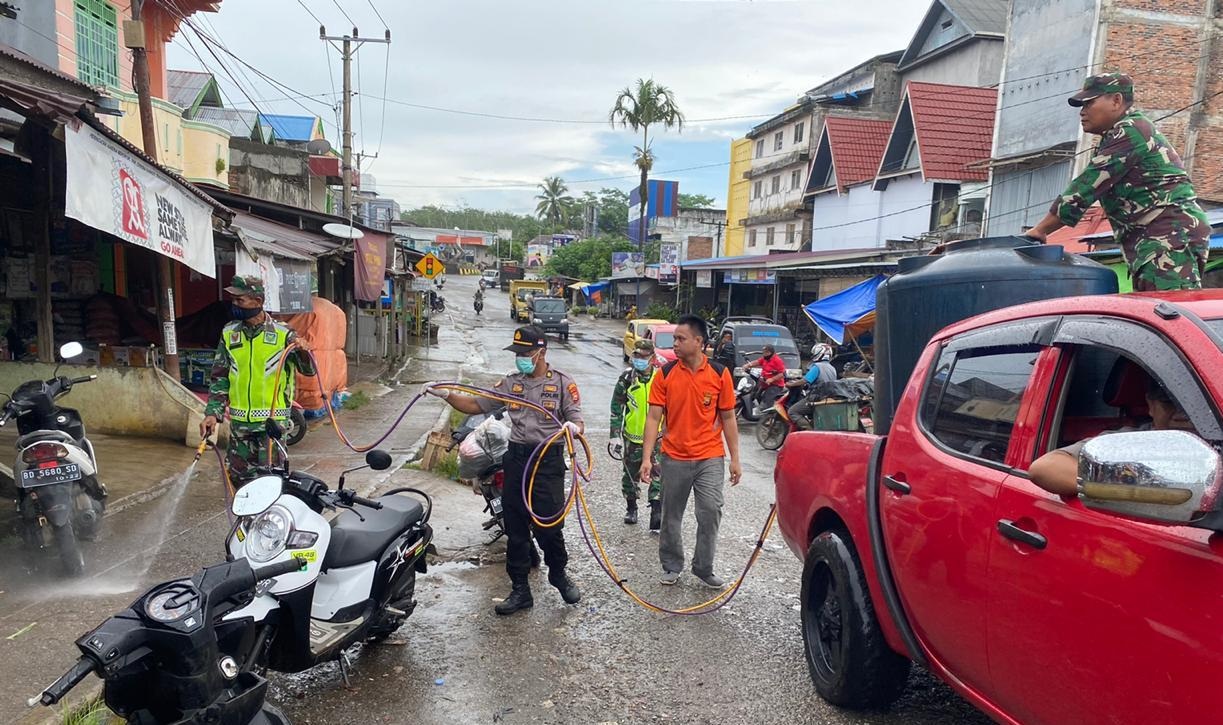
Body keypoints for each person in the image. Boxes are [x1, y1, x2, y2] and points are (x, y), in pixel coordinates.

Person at [424, 325, 583, 615]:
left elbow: (576, 419)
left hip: (547, 462)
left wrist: (572, 427)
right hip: (518, 460)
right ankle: (520, 590)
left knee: (549, 527)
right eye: (517, 354)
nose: (520, 359)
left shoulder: (561, 384)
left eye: (525, 353)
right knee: (516, 528)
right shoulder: (511, 384)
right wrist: (447, 393)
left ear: (541, 352)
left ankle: (558, 574)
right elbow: (475, 404)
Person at [1023, 73, 1210, 292]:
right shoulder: (1117, 135)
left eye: (1089, 103)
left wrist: (1040, 230)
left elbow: (1084, 188)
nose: (1082, 112)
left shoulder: (1131, 132)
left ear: (1116, 101)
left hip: (1168, 237)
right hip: (1158, 238)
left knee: (1167, 313)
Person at [640, 314, 742, 588]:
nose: (675, 343)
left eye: (680, 338)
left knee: (710, 510)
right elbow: (653, 418)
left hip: (710, 456)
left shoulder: (720, 374)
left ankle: (703, 567)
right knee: (671, 514)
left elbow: (729, 418)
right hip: (674, 457)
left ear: (698, 342)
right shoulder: (666, 374)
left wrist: (735, 459)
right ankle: (672, 565)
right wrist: (647, 457)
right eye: (674, 338)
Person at [201, 275, 314, 479]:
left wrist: (304, 351)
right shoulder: (229, 334)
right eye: (233, 300)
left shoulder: (284, 334)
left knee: (270, 482)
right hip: (239, 426)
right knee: (238, 480)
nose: (234, 305)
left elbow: (309, 371)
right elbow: (220, 378)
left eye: (239, 300)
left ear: (258, 302)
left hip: (272, 426)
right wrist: (212, 414)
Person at [1029, 377, 1194, 496]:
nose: (1183, 415)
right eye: (1169, 403)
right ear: (1151, 405)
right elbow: (1046, 467)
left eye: (1195, 407)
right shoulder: (1128, 442)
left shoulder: (1218, 443)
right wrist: (1138, 487)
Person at [609, 339, 663, 530]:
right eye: (636, 356)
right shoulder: (626, 378)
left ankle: (656, 511)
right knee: (630, 474)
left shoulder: (661, 378)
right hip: (632, 436)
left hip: (658, 438)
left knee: (659, 474)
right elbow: (617, 407)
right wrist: (614, 435)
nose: (639, 360)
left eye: (643, 356)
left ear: (652, 358)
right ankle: (631, 507)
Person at [781, 343, 838, 428]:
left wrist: (791, 384)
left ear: (818, 353)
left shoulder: (817, 367)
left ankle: (807, 430)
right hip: (828, 397)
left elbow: (805, 380)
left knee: (792, 411)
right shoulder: (832, 368)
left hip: (816, 397)